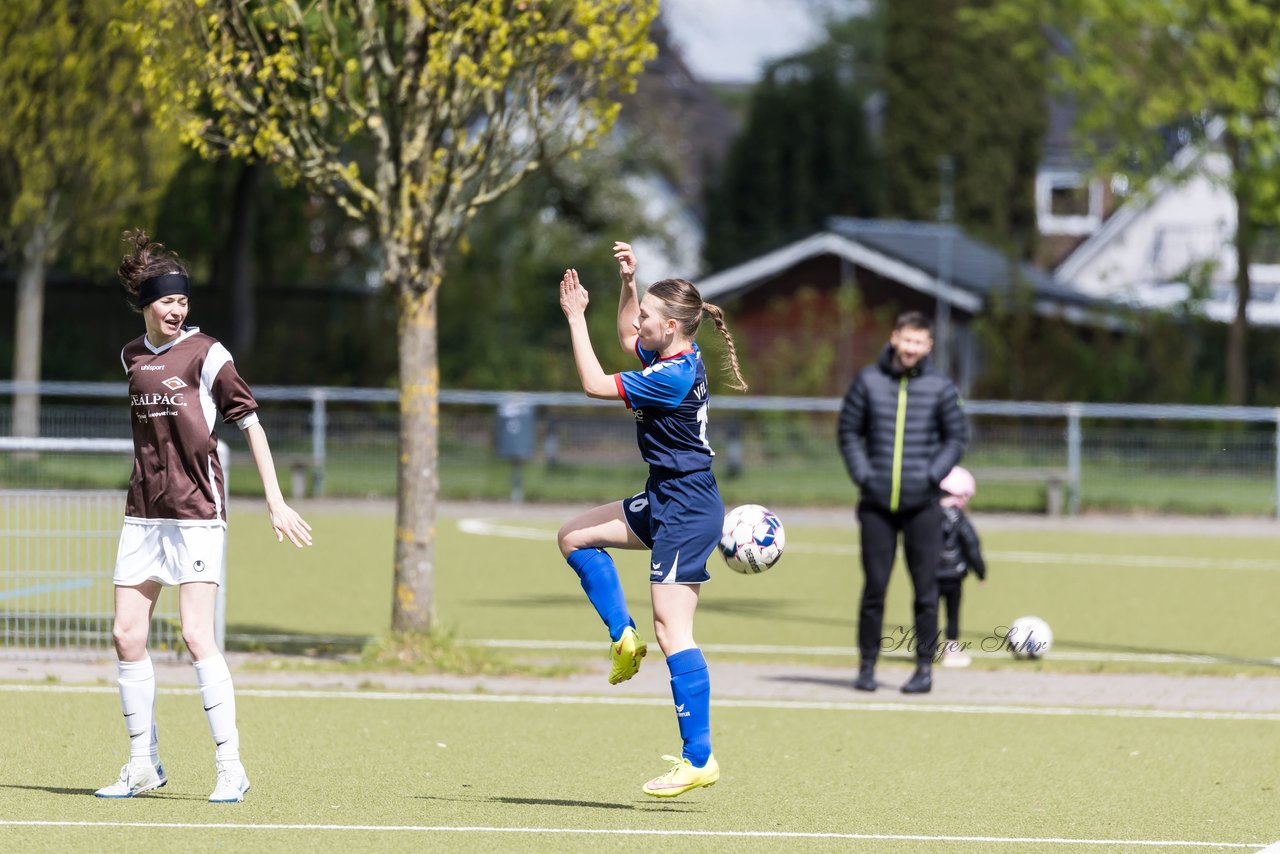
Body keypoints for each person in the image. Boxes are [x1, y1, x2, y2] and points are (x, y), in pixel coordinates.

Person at [96, 230, 313, 803]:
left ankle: (230, 766)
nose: (176, 309)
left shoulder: (208, 354)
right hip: (144, 512)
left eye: (182, 301)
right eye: (166, 301)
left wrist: (274, 499)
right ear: (146, 304)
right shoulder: (131, 356)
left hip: (197, 512)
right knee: (125, 634)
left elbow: (250, 423)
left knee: (196, 635)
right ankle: (143, 764)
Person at [555, 241, 747, 798]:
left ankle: (699, 759)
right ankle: (622, 638)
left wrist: (574, 318)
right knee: (573, 537)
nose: (638, 324)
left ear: (671, 327)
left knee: (673, 630)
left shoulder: (673, 375)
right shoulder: (665, 355)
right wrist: (627, 284)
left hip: (688, 509)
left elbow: (594, 383)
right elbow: (623, 338)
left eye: (646, 318)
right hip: (664, 497)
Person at [837, 311, 967, 694]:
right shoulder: (868, 381)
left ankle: (924, 669)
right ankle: (866, 666)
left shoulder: (941, 387)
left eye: (919, 342)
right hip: (876, 505)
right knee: (874, 588)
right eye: (906, 340)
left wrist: (932, 475)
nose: (911, 348)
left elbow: (956, 438)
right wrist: (865, 476)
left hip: (923, 506)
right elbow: (848, 432)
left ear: (928, 346)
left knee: (926, 591)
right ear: (895, 338)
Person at [936, 466, 987, 668]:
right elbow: (972, 545)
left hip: (929, 573)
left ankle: (925, 648)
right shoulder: (960, 519)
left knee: (927, 608)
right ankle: (951, 649)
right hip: (954, 574)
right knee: (952, 612)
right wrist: (981, 572)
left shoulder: (927, 515)